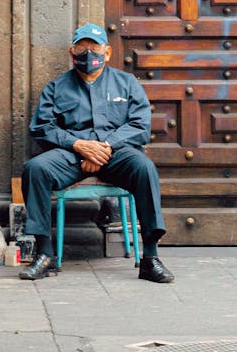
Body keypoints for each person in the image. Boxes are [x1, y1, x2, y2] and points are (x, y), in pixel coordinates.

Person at [19, 22, 174, 284]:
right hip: (71, 154)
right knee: (35, 169)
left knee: (145, 168)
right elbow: (42, 127)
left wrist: (102, 147)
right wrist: (79, 146)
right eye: (82, 49)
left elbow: (140, 125)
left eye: (95, 48)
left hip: (116, 152)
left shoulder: (127, 84)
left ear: (108, 52)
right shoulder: (56, 88)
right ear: (71, 53)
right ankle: (44, 255)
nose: (89, 54)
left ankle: (150, 257)